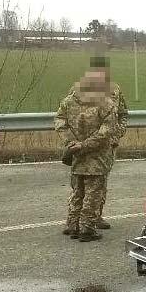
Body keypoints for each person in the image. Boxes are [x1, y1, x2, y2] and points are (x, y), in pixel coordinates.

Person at [54, 70, 117, 242]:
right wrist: (85, 145)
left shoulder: (68, 101)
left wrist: (72, 143)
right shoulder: (106, 103)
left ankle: (73, 225)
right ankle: (87, 229)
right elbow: (106, 132)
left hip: (76, 155)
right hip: (97, 157)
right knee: (93, 194)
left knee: (78, 191)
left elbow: (60, 122)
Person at [79, 56, 128, 229]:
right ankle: (77, 221)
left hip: (107, 145)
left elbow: (123, 113)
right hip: (85, 145)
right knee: (80, 184)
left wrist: (118, 133)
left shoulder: (115, 89)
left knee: (101, 183)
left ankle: (95, 216)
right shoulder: (80, 89)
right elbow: (70, 115)